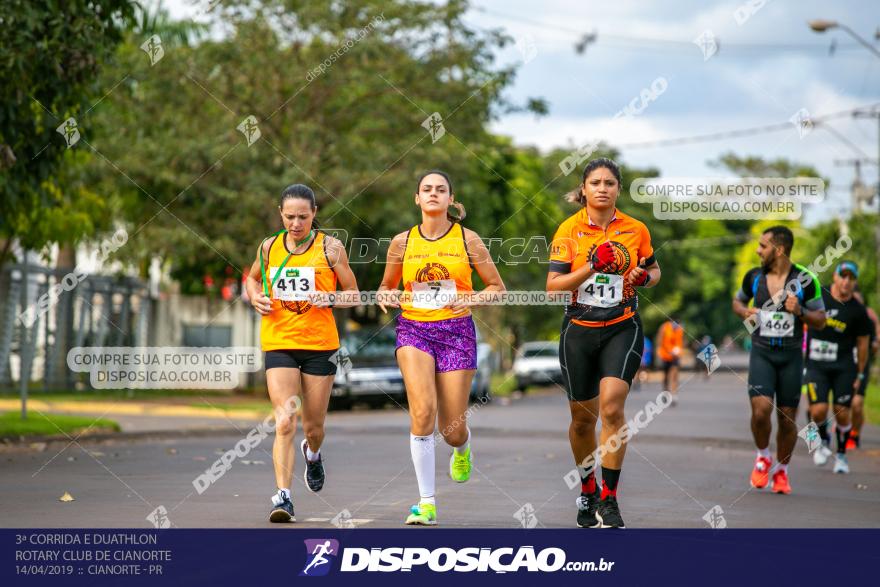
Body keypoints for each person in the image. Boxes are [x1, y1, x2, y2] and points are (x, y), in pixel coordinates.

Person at [377, 170, 505, 526]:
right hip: (413, 330)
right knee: (422, 413)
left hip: (456, 332)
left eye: (441, 189)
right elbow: (386, 285)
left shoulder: (468, 240)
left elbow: (497, 286)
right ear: (417, 199)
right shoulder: (402, 242)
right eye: (426, 190)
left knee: (451, 429)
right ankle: (426, 503)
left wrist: (475, 301)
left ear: (451, 199)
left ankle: (462, 448)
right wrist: (385, 293)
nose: (433, 194)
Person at [547, 158, 661, 528]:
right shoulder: (568, 230)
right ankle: (588, 488)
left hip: (621, 326)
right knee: (583, 420)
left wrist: (644, 277)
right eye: (595, 182)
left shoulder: (635, 228)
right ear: (583, 189)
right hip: (579, 328)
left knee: (612, 408)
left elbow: (654, 270)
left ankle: (610, 499)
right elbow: (553, 288)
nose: (602, 188)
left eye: (609, 183)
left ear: (618, 189)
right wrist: (592, 265)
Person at [245, 184, 359, 523]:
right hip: (279, 340)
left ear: (314, 214)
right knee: (284, 420)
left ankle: (313, 453)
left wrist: (333, 299)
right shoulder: (269, 247)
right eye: (290, 216)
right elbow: (251, 280)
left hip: (319, 345)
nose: (296, 223)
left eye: (303, 217)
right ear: (280, 214)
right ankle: (283, 498)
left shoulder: (331, 248)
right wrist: (254, 296)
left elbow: (353, 293)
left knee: (313, 426)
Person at [732, 226, 826, 495]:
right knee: (761, 411)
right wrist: (744, 311)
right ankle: (763, 457)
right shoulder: (753, 277)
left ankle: (782, 472)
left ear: (779, 249)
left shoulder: (807, 280)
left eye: (763, 246)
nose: (758, 250)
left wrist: (801, 311)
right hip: (762, 352)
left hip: (791, 356)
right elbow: (736, 302)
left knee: (787, 420)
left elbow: (821, 320)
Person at [805, 261, 870, 474]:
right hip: (816, 364)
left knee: (842, 414)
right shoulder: (819, 296)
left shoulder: (858, 311)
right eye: (843, 276)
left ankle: (841, 455)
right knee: (818, 409)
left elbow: (862, 343)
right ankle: (823, 440)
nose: (846, 281)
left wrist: (860, 373)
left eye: (851, 278)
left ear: (854, 282)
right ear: (834, 277)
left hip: (844, 366)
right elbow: (801, 316)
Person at [848, 289, 879, 449]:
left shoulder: (868, 317)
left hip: (862, 365)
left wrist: (874, 345)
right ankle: (845, 427)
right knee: (844, 403)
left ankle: (855, 434)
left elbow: (875, 340)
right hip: (845, 364)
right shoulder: (843, 314)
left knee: (857, 403)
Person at [656, 317, 684, 405]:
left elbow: (680, 342)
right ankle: (665, 392)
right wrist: (659, 351)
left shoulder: (680, 330)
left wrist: (678, 352)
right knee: (666, 376)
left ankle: (674, 395)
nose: (677, 327)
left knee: (674, 375)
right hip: (665, 355)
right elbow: (660, 340)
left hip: (675, 356)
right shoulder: (664, 327)